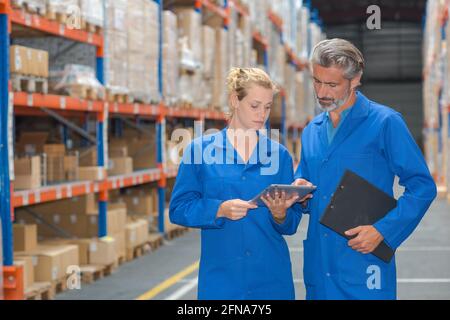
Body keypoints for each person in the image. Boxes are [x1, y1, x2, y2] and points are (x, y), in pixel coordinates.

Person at [293, 38, 437, 300]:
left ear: (356, 78)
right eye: (317, 81)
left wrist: (383, 231)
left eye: (332, 84)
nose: (322, 92)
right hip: (319, 269)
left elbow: (422, 186)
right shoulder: (311, 131)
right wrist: (299, 190)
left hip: (363, 266)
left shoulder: (385, 122)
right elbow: (305, 180)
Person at [169, 67, 307, 300]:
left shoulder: (280, 155)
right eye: (254, 105)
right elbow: (179, 209)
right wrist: (219, 209)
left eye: (267, 107)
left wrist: (280, 214)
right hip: (222, 282)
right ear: (235, 100)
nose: (261, 114)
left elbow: (290, 224)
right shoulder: (199, 151)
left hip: (271, 281)